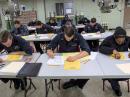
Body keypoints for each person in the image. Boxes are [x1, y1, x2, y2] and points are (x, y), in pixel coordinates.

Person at [47, 21, 90, 89]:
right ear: (64, 33)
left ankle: (75, 83)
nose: (68, 39)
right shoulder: (59, 35)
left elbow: (87, 50)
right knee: (53, 71)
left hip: (75, 56)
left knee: (87, 73)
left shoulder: (78, 36)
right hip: (62, 57)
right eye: (67, 37)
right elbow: (49, 46)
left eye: (71, 38)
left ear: (74, 34)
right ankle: (60, 77)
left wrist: (75, 57)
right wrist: (49, 51)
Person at [99, 27, 130, 96]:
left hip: (124, 63)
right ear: (114, 38)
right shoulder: (109, 39)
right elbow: (100, 48)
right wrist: (112, 50)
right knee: (110, 74)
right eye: (118, 41)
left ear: (125, 38)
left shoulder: (128, 39)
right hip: (110, 63)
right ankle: (116, 89)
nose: (120, 43)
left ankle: (115, 83)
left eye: (122, 41)